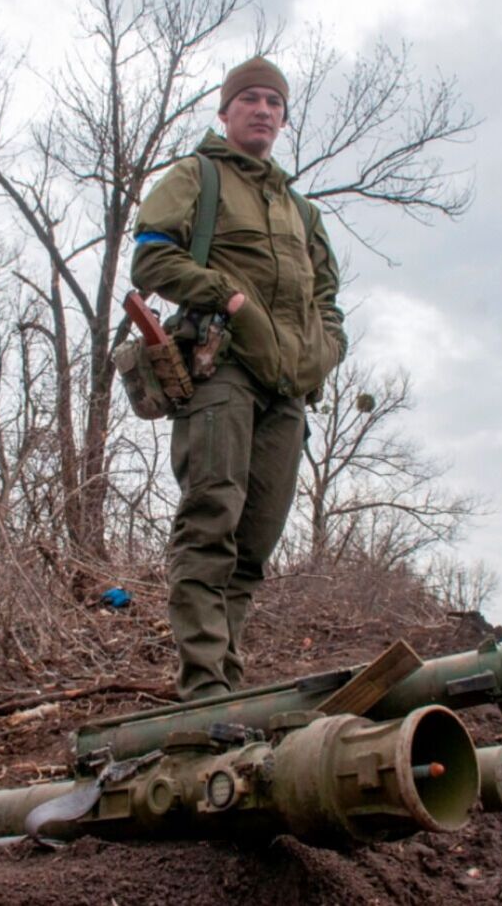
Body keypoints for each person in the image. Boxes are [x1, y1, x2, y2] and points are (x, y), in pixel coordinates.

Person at [131, 56, 348, 700]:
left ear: (283, 118)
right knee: (211, 520)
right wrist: (226, 295)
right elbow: (150, 254)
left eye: (273, 103)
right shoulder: (198, 176)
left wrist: (326, 349)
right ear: (225, 112)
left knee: (254, 543)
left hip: (289, 392)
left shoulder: (302, 212)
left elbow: (329, 299)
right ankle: (203, 685)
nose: (262, 110)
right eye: (249, 99)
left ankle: (228, 678)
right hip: (222, 370)